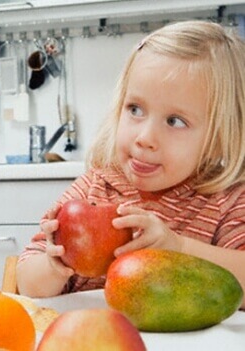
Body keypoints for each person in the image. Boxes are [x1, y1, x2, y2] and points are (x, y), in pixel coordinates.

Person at [16, 20, 244, 307]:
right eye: (135, 109)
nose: (145, 138)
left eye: (175, 121)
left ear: (220, 138)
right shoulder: (95, 187)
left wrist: (180, 247)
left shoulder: (225, 202)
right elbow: (25, 282)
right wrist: (53, 264)